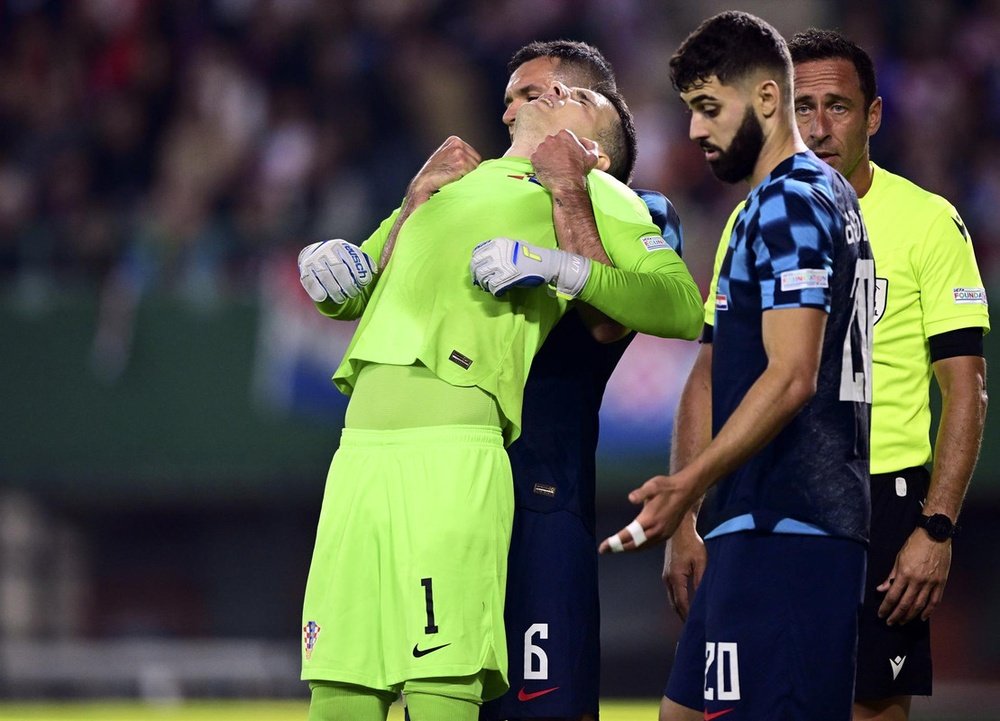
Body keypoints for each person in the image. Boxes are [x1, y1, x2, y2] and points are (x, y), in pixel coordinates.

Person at [297, 80, 703, 721]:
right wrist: (328, 257)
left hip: (454, 450)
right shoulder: (443, 185)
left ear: (596, 149)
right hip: (357, 454)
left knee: (441, 680)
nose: (556, 90)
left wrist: (560, 267)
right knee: (340, 684)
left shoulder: (599, 193)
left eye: (581, 97)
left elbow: (680, 307)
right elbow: (346, 289)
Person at [663, 29, 991, 721]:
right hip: (764, 492)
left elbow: (965, 387)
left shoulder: (930, 223)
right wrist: (686, 521)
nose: (818, 126)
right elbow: (707, 375)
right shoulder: (756, 215)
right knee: (703, 707)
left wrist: (936, 528)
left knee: (865, 709)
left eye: (837, 106)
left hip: (882, 496)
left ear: (872, 116)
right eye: (802, 106)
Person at [600, 11, 875, 720]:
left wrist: (688, 481)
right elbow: (718, 364)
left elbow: (790, 375)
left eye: (709, 108)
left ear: (764, 100)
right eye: (691, 111)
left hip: (794, 524)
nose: (695, 132)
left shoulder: (789, 203)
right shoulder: (802, 201)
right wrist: (698, 512)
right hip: (760, 517)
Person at [482, 40, 683, 721]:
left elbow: (607, 320)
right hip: (447, 497)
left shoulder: (643, 211)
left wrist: (568, 188)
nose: (509, 110)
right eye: (507, 98)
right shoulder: (480, 204)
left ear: (586, 110)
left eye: (530, 94)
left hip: (541, 498)